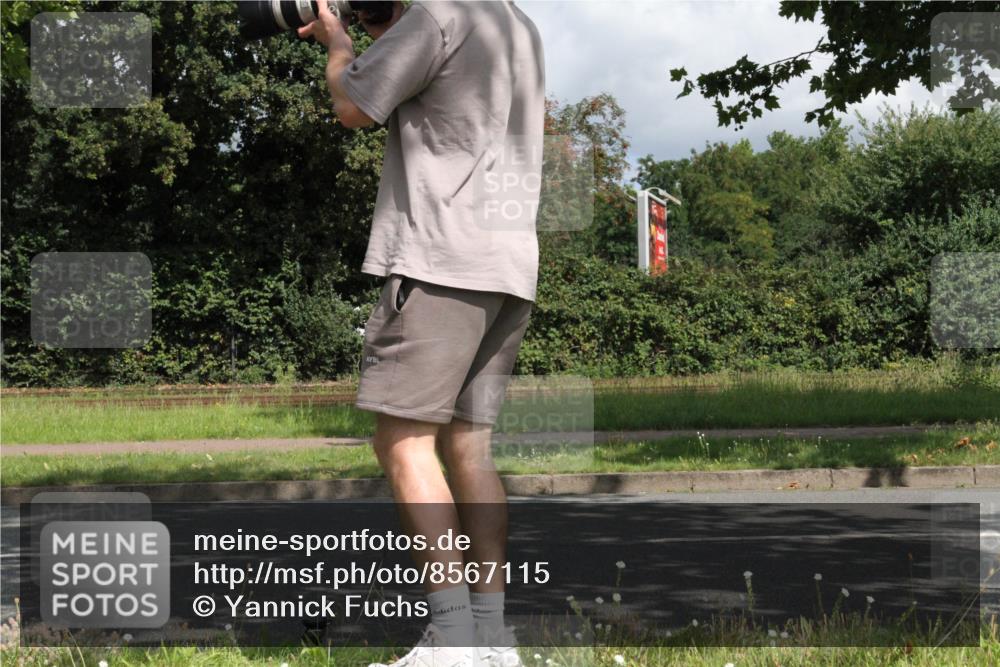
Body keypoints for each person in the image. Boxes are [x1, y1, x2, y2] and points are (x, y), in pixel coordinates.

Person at [299, 1, 545, 665]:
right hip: (506, 265)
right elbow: (446, 99)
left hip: (441, 261)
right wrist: (385, 31)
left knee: (403, 441)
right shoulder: (515, 23)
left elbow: (354, 104)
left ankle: (452, 642)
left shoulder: (436, 14)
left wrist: (338, 42)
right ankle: (490, 640)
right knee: (470, 446)